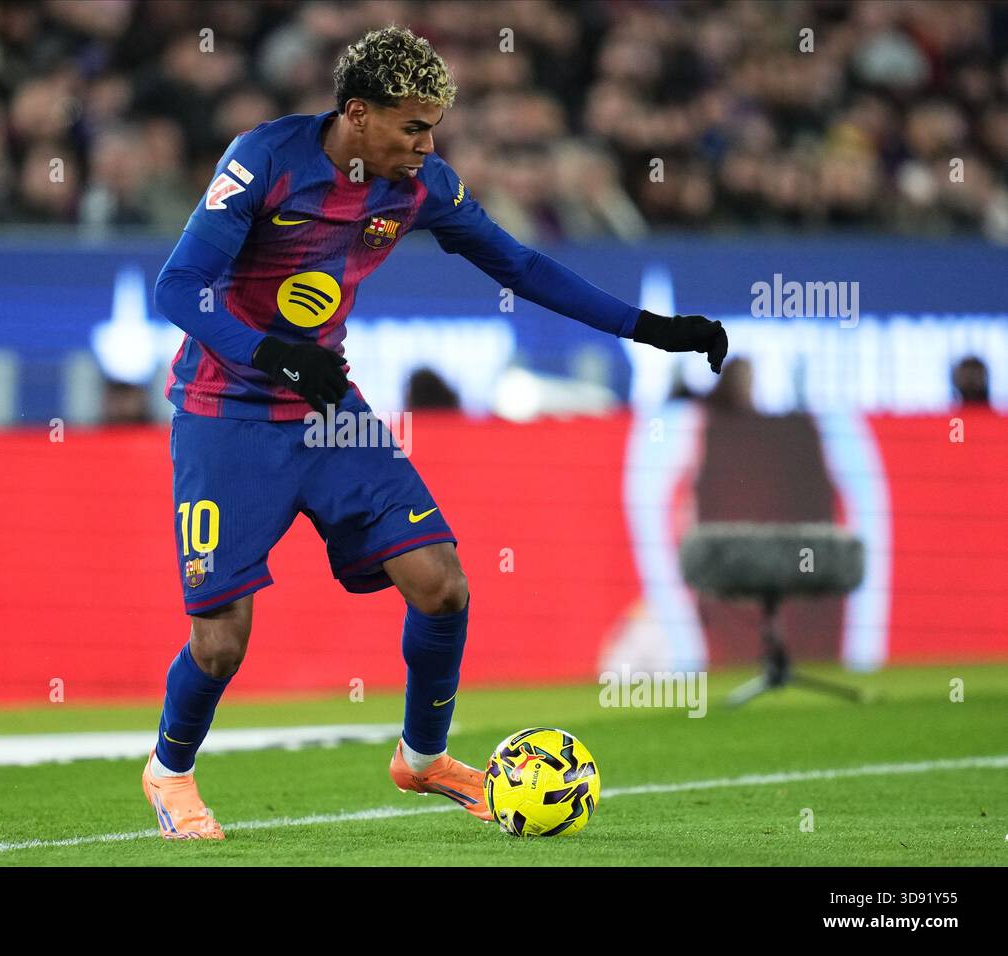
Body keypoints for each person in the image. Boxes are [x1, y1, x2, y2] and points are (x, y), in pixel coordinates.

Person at [146, 24, 727, 839]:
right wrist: (271, 354)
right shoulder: (265, 161)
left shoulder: (418, 188)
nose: (428, 145)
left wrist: (649, 329)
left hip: (327, 414)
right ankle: (170, 770)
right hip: (225, 415)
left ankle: (422, 760)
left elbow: (520, 266)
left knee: (442, 582)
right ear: (357, 114)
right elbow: (178, 289)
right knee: (221, 643)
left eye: (433, 128)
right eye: (413, 127)